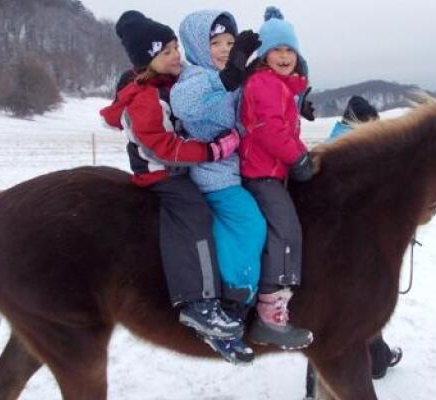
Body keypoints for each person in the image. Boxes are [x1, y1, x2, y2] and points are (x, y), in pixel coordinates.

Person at [100, 11, 244, 357]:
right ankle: (198, 303)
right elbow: (163, 147)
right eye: (165, 52)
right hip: (161, 172)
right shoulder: (146, 97)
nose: (176, 56)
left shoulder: (168, 85)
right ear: (148, 60)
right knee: (193, 212)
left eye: (175, 47)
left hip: (178, 166)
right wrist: (210, 151)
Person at [169, 10, 266, 364]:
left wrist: (296, 102)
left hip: (236, 168)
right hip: (212, 175)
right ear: (197, 45)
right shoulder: (195, 77)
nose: (225, 49)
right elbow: (184, 103)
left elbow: (248, 110)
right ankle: (230, 306)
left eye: (231, 42)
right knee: (249, 223)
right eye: (216, 43)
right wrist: (226, 78)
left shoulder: (231, 77)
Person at [304, 95, 403, 398]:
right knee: (353, 314)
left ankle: (375, 360)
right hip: (354, 250)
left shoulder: (330, 146)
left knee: (331, 319)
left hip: (324, 249)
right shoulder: (364, 152)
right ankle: (376, 363)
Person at [238, 6, 315, 350]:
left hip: (272, 170)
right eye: (277, 50)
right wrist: (297, 157)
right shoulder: (264, 84)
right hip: (260, 173)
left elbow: (286, 129)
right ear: (264, 55)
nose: (284, 56)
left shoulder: (281, 86)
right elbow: (270, 131)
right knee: (285, 228)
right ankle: (269, 313)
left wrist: (303, 154)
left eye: (290, 50)